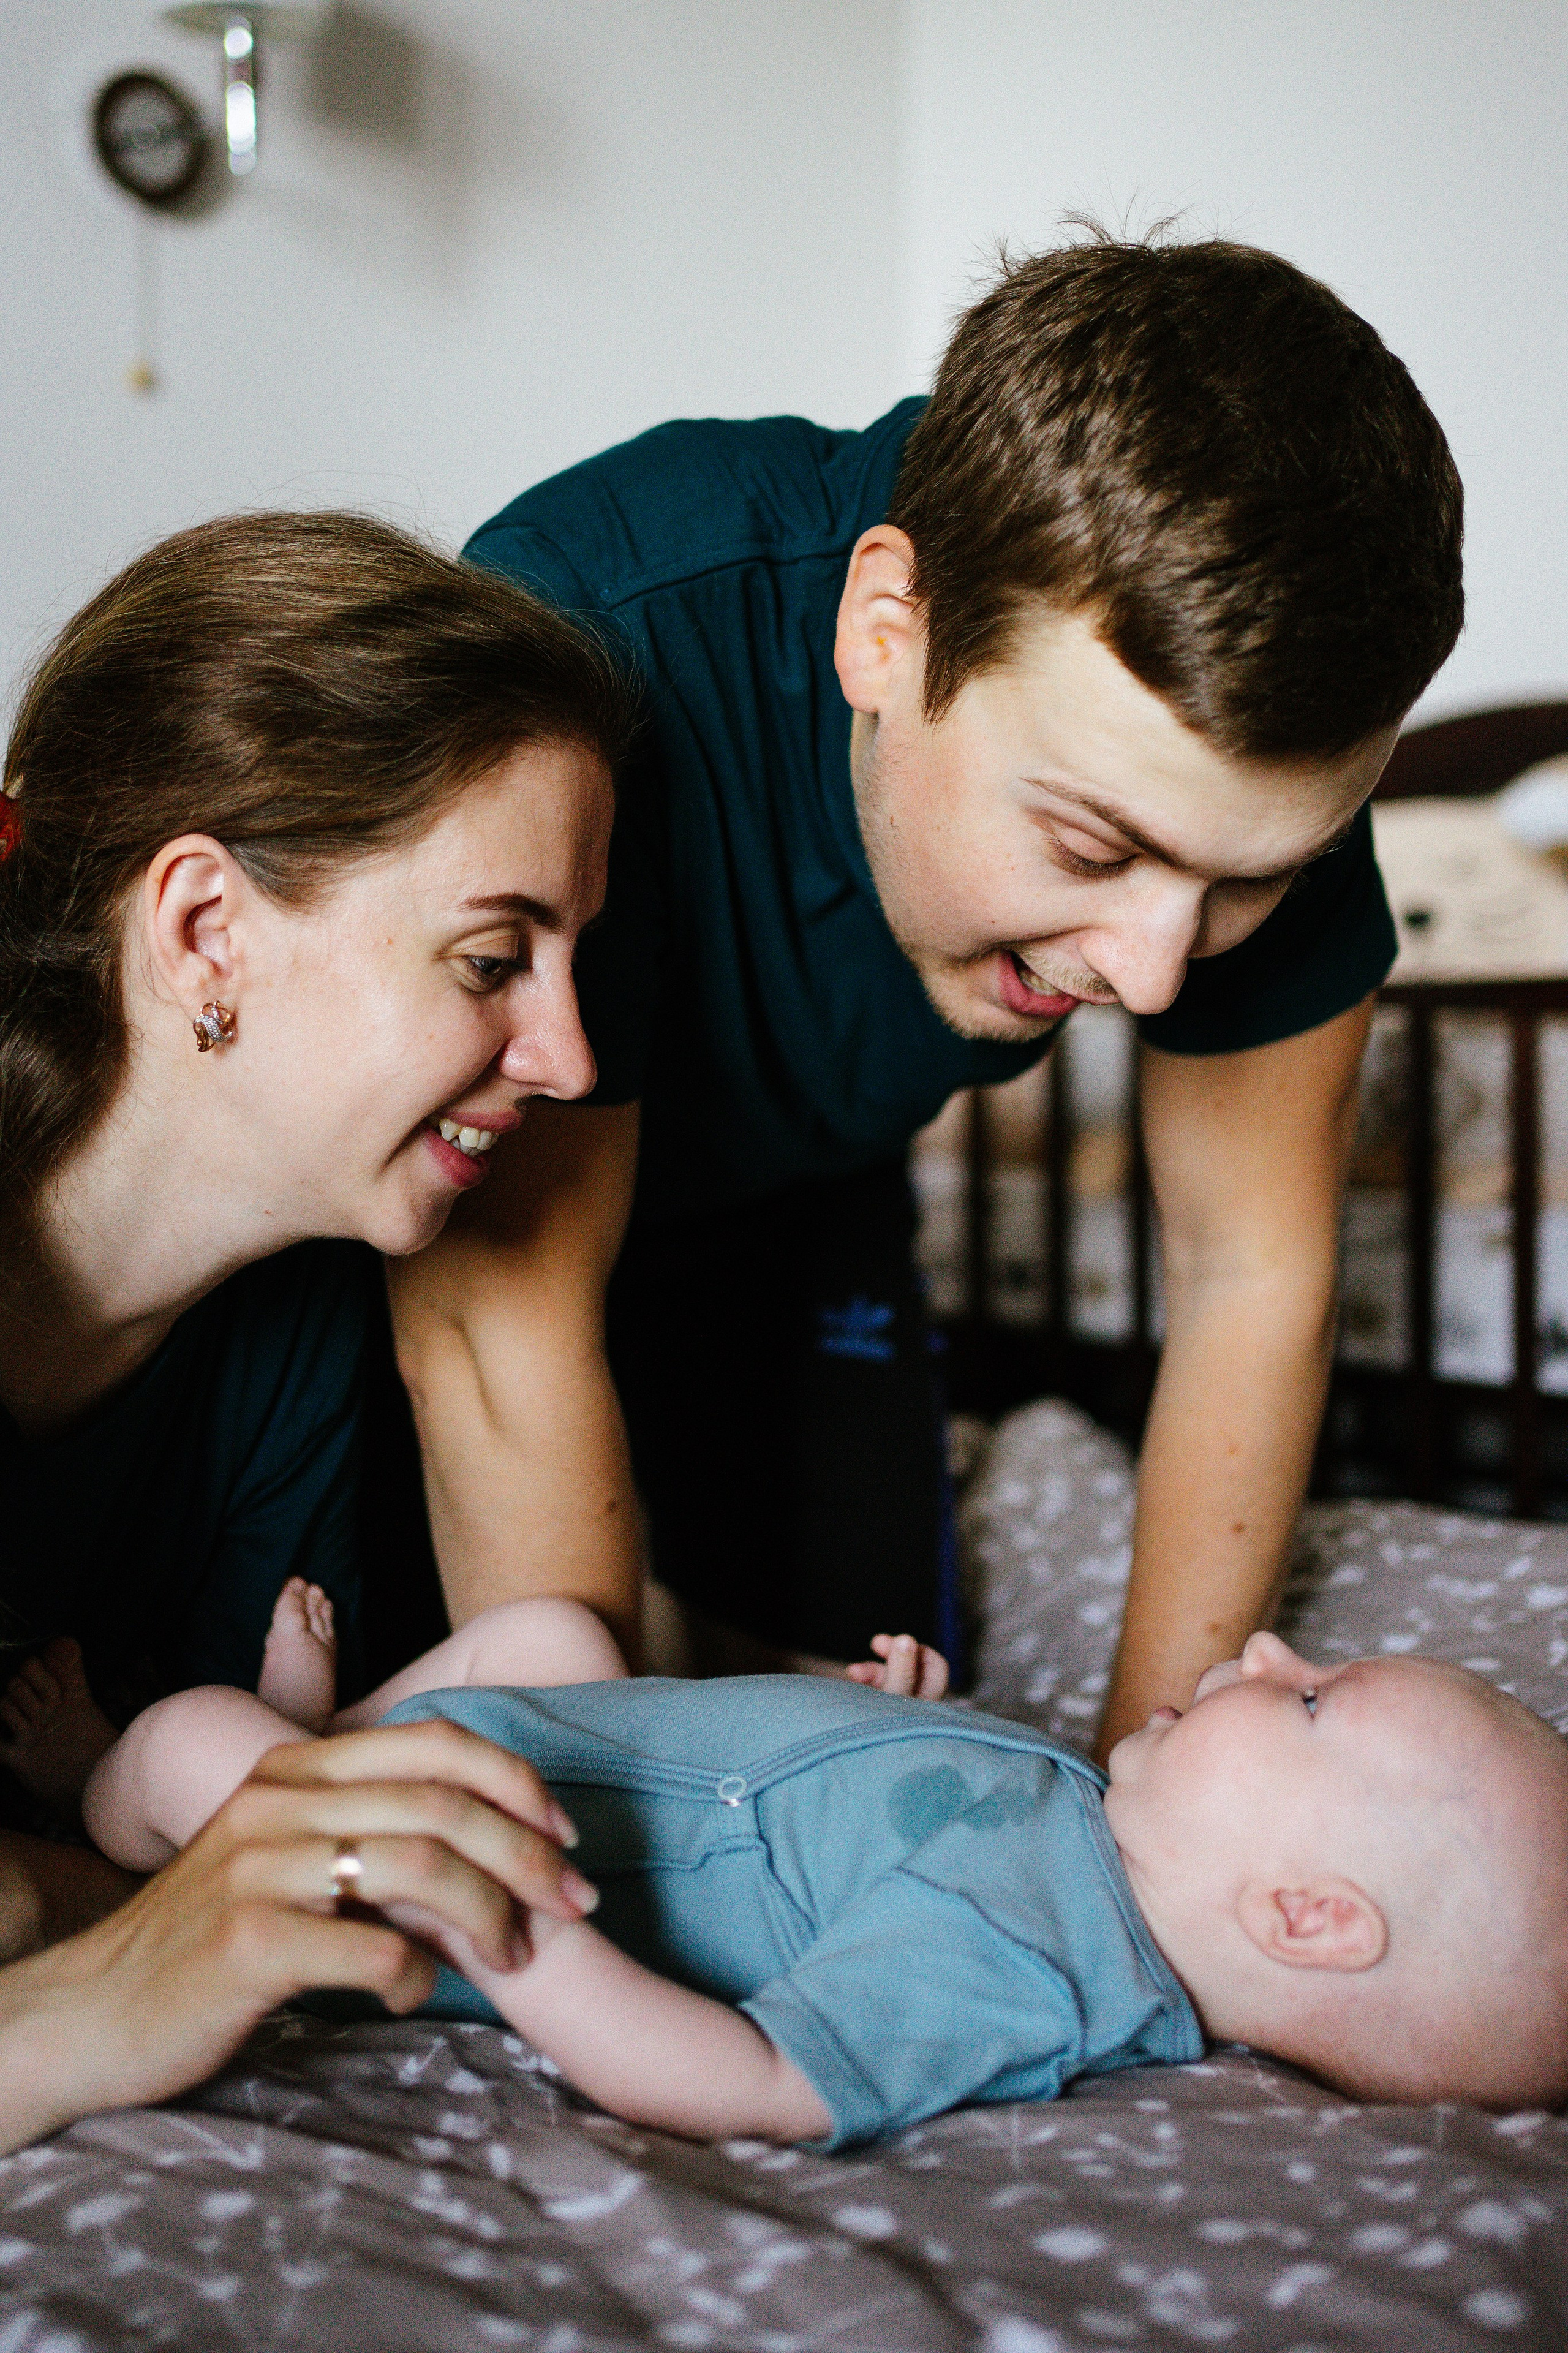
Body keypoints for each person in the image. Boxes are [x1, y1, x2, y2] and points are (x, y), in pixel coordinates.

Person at [391, 231, 1466, 1756]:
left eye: (1244, 884)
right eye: (1090, 845)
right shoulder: (598, 645)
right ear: (880, 629)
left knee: (864, 1715)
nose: (1154, 969)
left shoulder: (1252, 779)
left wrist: (1141, 1794)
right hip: (466, 1226)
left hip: (797, 1202)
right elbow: (498, 1334)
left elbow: (1252, 1279)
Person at [0, 511, 641, 2156]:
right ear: (207, 930)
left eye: (574, 963)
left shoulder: (296, 1333)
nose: (568, 1055)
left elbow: (217, 1851)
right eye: (495, 957)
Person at [74, 1590, 1568, 2148]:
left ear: (1301, 1918)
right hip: (559, 1734)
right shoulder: (1106, 1846)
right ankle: (328, 1729)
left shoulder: (1030, 1963)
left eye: (1307, 1700)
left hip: (453, 1859)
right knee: (558, 1631)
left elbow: (749, 2081)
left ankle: (88, 1790)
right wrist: (887, 1734)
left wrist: (517, 1925)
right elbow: (867, 1847)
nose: (1262, 1649)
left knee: (187, 1737)